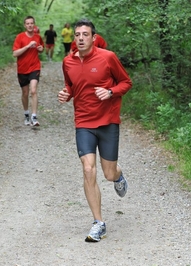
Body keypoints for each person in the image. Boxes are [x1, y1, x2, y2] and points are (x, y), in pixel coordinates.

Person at [58, 18, 132, 242]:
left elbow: (126, 83)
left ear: (93, 38)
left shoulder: (107, 57)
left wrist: (110, 92)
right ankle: (99, 223)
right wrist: (66, 93)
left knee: (108, 174)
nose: (80, 38)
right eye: (77, 34)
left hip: (108, 121)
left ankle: (118, 176)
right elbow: (72, 86)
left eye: (85, 34)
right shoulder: (67, 62)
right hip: (83, 123)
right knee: (88, 169)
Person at [12, 15, 44, 126]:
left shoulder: (37, 37)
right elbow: (15, 53)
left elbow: (41, 48)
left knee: (33, 90)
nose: (30, 25)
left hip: (34, 67)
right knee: (25, 93)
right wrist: (27, 46)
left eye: (32, 23)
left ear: (34, 25)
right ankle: (26, 114)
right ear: (25, 25)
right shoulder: (20, 37)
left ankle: (34, 117)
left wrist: (40, 49)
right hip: (22, 68)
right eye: (28, 23)